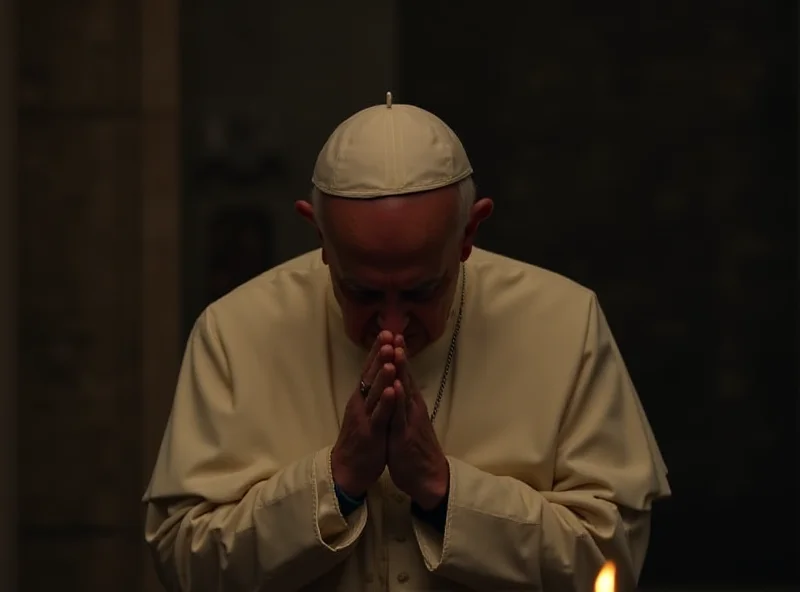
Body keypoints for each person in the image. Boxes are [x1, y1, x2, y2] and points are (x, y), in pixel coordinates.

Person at [143, 93, 671, 591]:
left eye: (421, 289)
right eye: (362, 291)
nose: (392, 326)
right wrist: (337, 479)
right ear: (320, 237)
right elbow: (185, 564)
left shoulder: (565, 323)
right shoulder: (234, 333)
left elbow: (612, 558)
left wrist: (444, 490)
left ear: (469, 232)